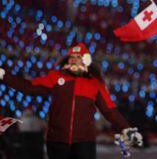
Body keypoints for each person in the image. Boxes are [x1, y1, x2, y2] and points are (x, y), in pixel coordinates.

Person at [0, 43, 142, 159]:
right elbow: (29, 87)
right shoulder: (55, 77)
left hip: (84, 143)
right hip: (57, 141)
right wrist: (4, 76)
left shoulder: (95, 84)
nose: (74, 60)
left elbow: (110, 111)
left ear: (86, 60)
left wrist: (126, 129)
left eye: (78, 57)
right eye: (71, 57)